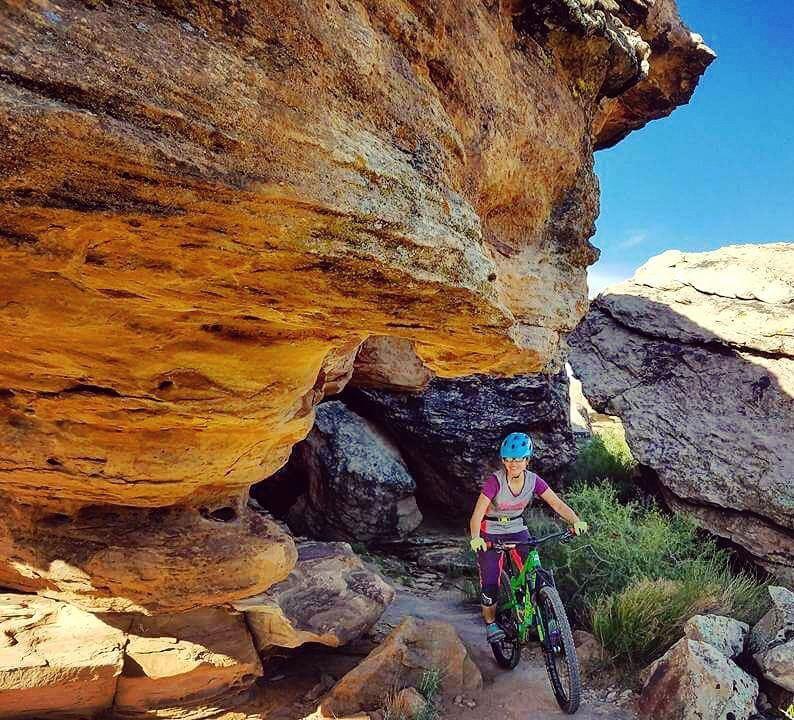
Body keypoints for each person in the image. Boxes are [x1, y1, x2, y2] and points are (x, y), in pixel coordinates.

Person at [469, 432, 588, 644]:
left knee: (537, 571)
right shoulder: (495, 482)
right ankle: (491, 624)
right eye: (508, 459)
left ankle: (550, 619)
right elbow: (477, 515)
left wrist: (575, 521)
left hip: (516, 527)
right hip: (491, 530)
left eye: (518, 458)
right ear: (503, 459)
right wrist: (477, 538)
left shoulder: (534, 481)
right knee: (490, 580)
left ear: (527, 459)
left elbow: (557, 504)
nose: (513, 463)